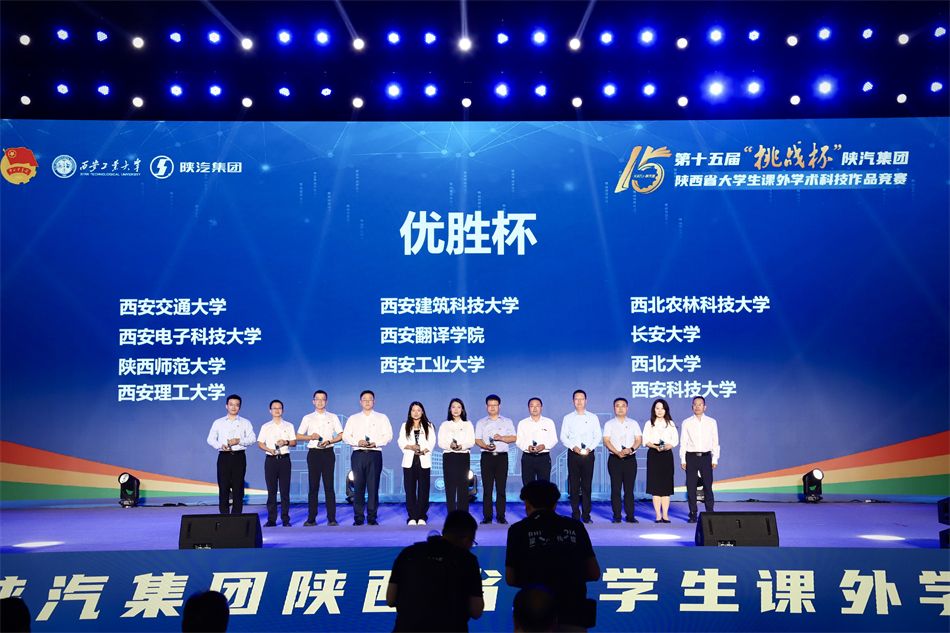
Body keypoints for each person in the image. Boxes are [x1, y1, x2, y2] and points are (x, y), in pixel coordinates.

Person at [506, 481, 601, 632]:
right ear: (555, 504)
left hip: (535, 615)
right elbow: (594, 572)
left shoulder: (517, 530)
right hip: (573, 614)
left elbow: (510, 578)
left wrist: (537, 580)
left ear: (527, 504)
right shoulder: (575, 527)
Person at [386, 510, 484, 632]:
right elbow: (476, 611)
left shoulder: (408, 553)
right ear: (466, 539)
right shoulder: (468, 560)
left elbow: (390, 599)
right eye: (472, 542)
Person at [343, 390, 393, 525]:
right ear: (360, 402)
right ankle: (358, 518)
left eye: (370, 399)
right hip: (358, 455)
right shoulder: (353, 418)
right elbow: (346, 436)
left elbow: (388, 435)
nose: (367, 402)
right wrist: (357, 442)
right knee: (358, 487)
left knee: (373, 487)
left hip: (374, 454)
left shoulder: (382, 417)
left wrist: (376, 442)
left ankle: (372, 517)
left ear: (374, 401)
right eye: (364, 399)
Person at [296, 389, 343, 526]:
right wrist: (310, 437)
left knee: (329, 486)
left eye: (323, 399)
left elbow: (341, 434)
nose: (320, 402)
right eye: (317, 399)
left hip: (328, 452)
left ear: (326, 402)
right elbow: (298, 436)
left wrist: (330, 441)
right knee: (313, 487)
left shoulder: (333, 417)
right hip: (314, 453)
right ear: (313, 401)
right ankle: (311, 518)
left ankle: (331, 518)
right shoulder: (308, 418)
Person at [206, 394, 256, 515]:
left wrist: (239, 441)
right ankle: (224, 516)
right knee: (223, 487)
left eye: (237, 405)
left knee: (238, 488)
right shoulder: (218, 422)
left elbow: (253, 438)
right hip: (224, 456)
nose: (234, 407)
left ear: (240, 407)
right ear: (226, 406)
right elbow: (210, 439)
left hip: (239, 457)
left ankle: (236, 517)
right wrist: (220, 445)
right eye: (231, 404)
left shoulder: (245, 422)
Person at [559, 390, 602, 523]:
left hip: (588, 454)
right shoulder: (568, 418)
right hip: (573, 454)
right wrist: (574, 447)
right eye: (576, 399)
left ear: (586, 401)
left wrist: (589, 448)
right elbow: (563, 436)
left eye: (581, 399)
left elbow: (598, 436)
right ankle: (575, 513)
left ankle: (586, 515)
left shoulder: (593, 417)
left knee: (587, 485)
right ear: (573, 401)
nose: (579, 401)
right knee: (574, 485)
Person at [474, 394, 516, 524]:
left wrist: (501, 438)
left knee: (501, 488)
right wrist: (485, 446)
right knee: (487, 488)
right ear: (486, 406)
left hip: (502, 457)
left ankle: (501, 516)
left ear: (499, 406)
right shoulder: (481, 422)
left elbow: (514, 437)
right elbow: (477, 439)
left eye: (495, 405)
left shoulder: (507, 421)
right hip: (487, 457)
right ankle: (487, 517)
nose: (492, 407)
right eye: (490, 405)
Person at [679, 395, 720, 523]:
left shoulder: (711, 422)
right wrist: (683, 459)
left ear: (705, 407)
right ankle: (693, 513)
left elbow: (715, 441)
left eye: (700, 404)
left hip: (706, 457)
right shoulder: (686, 422)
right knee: (691, 486)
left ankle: (710, 512)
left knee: (708, 485)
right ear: (692, 407)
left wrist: (715, 458)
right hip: (691, 457)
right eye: (695, 404)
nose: (697, 407)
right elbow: (683, 442)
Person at [257, 399, 297, 527]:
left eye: (279, 408)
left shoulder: (289, 426)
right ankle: (271, 520)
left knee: (285, 491)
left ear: (283, 410)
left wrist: (285, 442)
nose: (277, 410)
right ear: (270, 411)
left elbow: (294, 442)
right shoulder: (265, 426)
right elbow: (260, 443)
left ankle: (285, 519)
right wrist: (269, 449)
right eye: (274, 408)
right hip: (271, 460)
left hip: (284, 460)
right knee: (271, 491)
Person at [602, 397, 642, 523]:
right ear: (614, 408)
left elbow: (638, 439)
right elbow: (606, 441)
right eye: (617, 406)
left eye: (623, 405)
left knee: (629, 490)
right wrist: (617, 452)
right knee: (616, 489)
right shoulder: (609, 424)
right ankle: (617, 516)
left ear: (627, 408)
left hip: (630, 459)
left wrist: (631, 449)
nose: (620, 408)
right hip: (615, 459)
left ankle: (630, 516)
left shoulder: (634, 423)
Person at [398, 401, 437, 525]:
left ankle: (421, 516)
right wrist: (411, 447)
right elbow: (401, 442)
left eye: (418, 410)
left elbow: (432, 442)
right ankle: (412, 516)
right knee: (410, 489)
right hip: (409, 460)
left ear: (422, 412)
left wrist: (425, 450)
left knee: (423, 489)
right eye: (413, 410)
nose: (416, 413)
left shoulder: (429, 426)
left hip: (423, 459)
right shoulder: (405, 425)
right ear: (410, 412)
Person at [642, 398, 678, 523]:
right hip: (654, 454)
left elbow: (675, 440)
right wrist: (655, 447)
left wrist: (668, 446)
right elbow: (645, 440)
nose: (660, 411)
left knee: (666, 487)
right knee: (656, 487)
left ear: (666, 410)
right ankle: (658, 515)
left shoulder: (670, 423)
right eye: (657, 408)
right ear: (654, 410)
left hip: (666, 454)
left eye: (662, 408)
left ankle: (666, 515)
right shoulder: (649, 423)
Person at [438, 398, 475, 513]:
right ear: (450, 409)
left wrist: (461, 446)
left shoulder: (468, 424)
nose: (456, 409)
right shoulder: (445, 425)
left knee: (463, 487)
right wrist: (450, 446)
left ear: (462, 410)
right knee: (450, 487)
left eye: (459, 407)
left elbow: (471, 441)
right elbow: (440, 442)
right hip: (449, 457)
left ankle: (463, 515)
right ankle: (451, 515)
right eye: (453, 407)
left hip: (463, 457)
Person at [515, 397, 557, 485]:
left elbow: (554, 439)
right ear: (528, 408)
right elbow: (519, 440)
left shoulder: (549, 422)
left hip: (543, 458)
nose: (534, 408)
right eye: (532, 406)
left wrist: (544, 446)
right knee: (528, 486)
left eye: (537, 406)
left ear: (541, 407)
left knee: (544, 486)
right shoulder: (522, 423)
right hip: (528, 458)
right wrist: (528, 447)